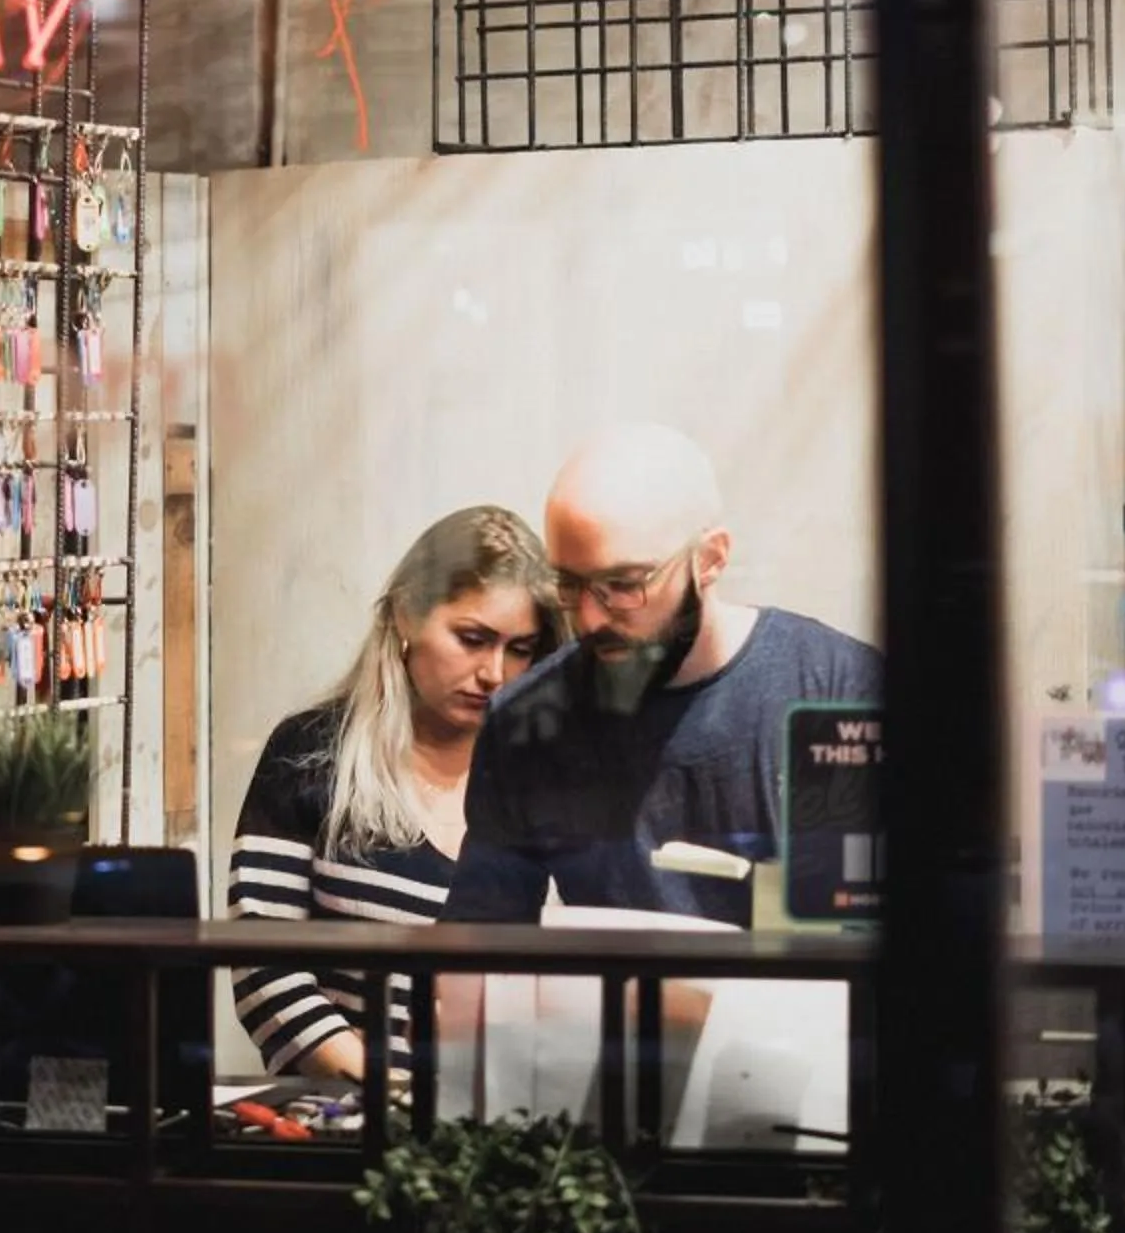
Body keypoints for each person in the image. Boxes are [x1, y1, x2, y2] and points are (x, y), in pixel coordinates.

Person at [445, 423, 881, 925]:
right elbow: (475, 954)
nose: (589, 618)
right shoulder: (529, 721)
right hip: (609, 1005)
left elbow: (856, 949)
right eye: (567, 583)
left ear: (710, 558)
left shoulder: (834, 695)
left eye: (624, 584)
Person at [229, 506, 564, 1077]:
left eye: (520, 649)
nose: (494, 672)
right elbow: (263, 963)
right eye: (472, 638)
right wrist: (386, 1091)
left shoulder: (547, 785)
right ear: (407, 613)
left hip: (503, 1125)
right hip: (345, 1127)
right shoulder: (312, 755)